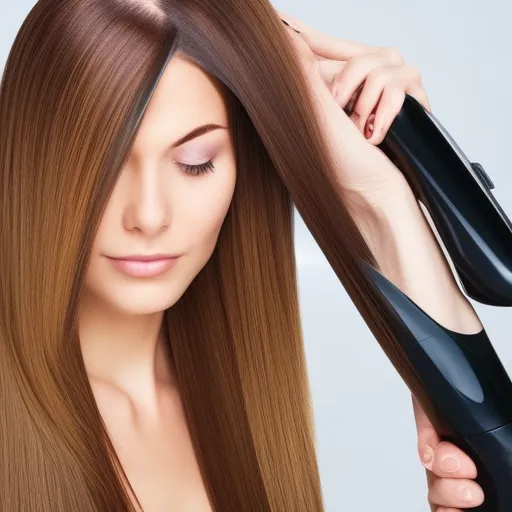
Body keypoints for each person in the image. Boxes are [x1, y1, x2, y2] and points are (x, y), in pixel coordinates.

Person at [0, 0, 484, 510]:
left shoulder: (240, 399)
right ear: (31, 158)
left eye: (194, 163)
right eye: (105, 162)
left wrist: (383, 201)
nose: (147, 214)